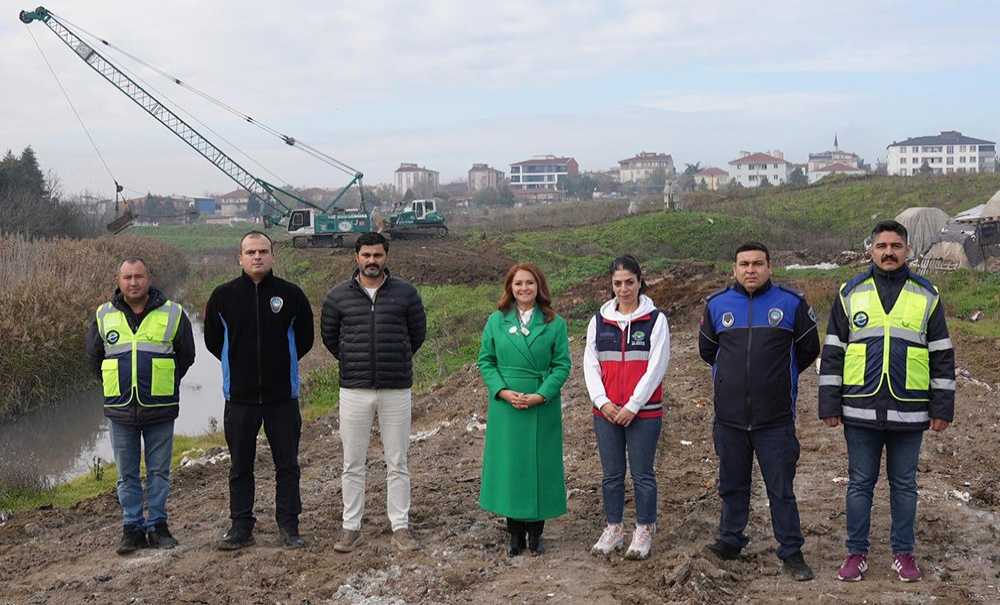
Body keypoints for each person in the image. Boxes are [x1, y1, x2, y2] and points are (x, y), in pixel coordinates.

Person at [819, 220, 955, 583]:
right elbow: (833, 350)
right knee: (860, 483)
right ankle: (856, 553)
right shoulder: (851, 292)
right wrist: (829, 403)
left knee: (905, 485)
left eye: (896, 246)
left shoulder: (927, 294)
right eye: (882, 246)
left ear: (907, 250)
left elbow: (941, 353)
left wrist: (942, 407)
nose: (889, 252)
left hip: (911, 409)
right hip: (860, 408)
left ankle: (904, 554)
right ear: (871, 250)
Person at [698, 242, 819, 581]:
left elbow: (809, 350)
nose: (750, 270)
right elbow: (708, 351)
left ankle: (792, 552)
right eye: (744, 264)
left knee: (780, 489)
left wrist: (779, 380)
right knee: (732, 485)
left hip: (775, 419)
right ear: (734, 268)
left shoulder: (791, 304)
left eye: (757, 264)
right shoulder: (717, 305)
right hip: (730, 419)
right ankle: (731, 540)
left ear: (769, 267)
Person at [204, 231, 314, 550]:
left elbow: (304, 339)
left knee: (288, 465)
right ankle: (241, 526)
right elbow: (214, 342)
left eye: (263, 251)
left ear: (272, 256)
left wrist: (281, 366)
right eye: (250, 252)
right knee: (240, 465)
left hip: (282, 398)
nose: (257, 257)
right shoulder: (223, 297)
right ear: (240, 258)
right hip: (239, 398)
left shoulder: (291, 295)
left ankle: (289, 526)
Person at [320, 232, 427, 553]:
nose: (371, 261)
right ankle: (350, 527)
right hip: (354, 389)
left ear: (386, 257)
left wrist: (392, 359)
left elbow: (417, 335)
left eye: (377, 255)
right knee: (353, 462)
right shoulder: (338, 297)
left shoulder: (406, 294)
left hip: (396, 388)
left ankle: (401, 526)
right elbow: (330, 338)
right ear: (356, 257)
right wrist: (356, 361)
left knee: (398, 460)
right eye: (366, 255)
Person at [86, 257, 195, 555]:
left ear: (149, 278)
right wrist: (116, 383)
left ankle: (158, 526)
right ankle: (131, 528)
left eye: (139, 276)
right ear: (119, 280)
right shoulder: (103, 315)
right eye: (127, 277)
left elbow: (186, 356)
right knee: (127, 474)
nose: (133, 282)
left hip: (159, 408)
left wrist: (163, 381)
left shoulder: (173, 313)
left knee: (159, 472)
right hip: (120, 409)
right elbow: (94, 359)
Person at [477, 263, 571, 556]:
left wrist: (541, 395)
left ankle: (536, 533)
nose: (524, 289)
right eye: (518, 284)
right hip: (507, 406)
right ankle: (514, 533)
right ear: (510, 288)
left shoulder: (555, 323)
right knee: (511, 467)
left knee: (539, 467)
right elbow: (486, 361)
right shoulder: (496, 320)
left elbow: (562, 365)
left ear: (539, 286)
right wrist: (503, 392)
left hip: (541, 405)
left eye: (529, 283)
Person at [584, 255, 670, 561]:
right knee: (612, 474)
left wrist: (633, 405)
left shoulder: (655, 320)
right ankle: (614, 528)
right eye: (617, 283)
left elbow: (656, 367)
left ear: (639, 281)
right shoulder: (599, 321)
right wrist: (602, 402)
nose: (623, 289)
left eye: (629, 282)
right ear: (611, 285)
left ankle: (644, 529)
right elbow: (590, 365)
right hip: (606, 413)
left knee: (642, 473)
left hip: (644, 412)